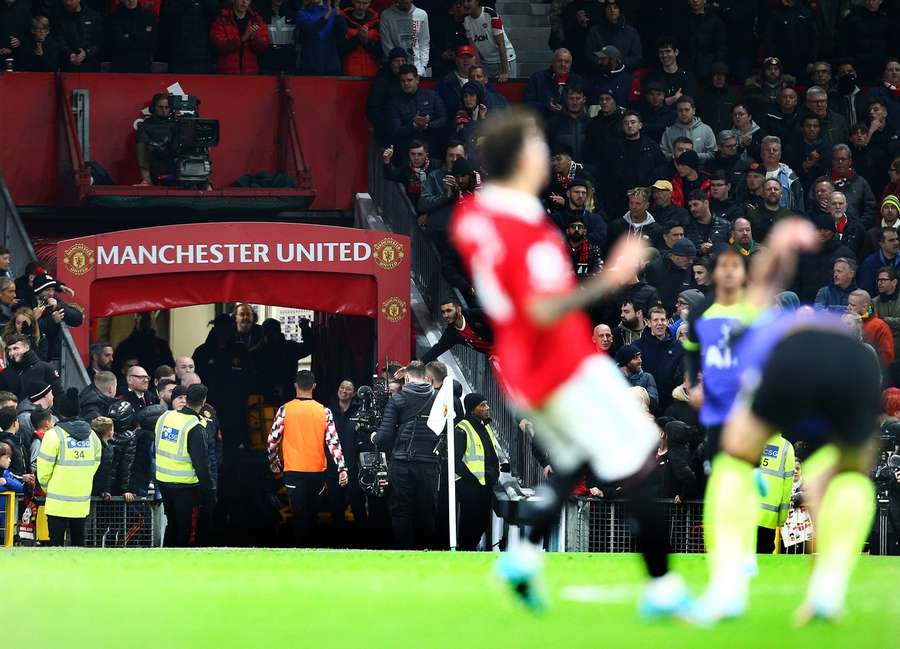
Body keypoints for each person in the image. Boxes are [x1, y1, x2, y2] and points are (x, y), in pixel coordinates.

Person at [451, 109, 688, 614]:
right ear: (520, 158)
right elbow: (537, 306)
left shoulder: (478, 216)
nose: (549, 159)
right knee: (641, 451)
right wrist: (611, 278)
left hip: (529, 365)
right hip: (558, 361)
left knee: (576, 459)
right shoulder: (519, 224)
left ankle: (520, 558)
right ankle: (664, 587)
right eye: (538, 148)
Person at [695, 218, 882, 624]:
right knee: (849, 475)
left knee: (734, 460)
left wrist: (778, 246)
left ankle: (727, 588)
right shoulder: (827, 327)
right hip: (853, 360)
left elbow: (762, 286)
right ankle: (827, 590)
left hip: (793, 358)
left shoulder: (756, 326)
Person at [267, 370, 347, 546]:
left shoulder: (285, 410)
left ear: (295, 386)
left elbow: (272, 440)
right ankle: (312, 548)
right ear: (314, 386)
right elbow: (334, 443)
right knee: (313, 514)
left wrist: (274, 462)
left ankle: (301, 548)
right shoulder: (324, 411)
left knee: (299, 514)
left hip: (293, 470)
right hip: (317, 470)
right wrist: (342, 468)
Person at [371, 361, 440, 550]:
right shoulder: (438, 398)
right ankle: (427, 551)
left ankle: (405, 551)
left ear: (407, 378)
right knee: (426, 509)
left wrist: (374, 437)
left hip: (402, 461)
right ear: (426, 377)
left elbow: (384, 436)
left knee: (402, 510)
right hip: (429, 462)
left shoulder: (398, 400)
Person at [36, 389, 100, 547]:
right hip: (81, 502)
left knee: (56, 547)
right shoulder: (92, 436)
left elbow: (43, 471)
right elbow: (95, 463)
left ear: (61, 412)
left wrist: (47, 488)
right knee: (79, 545)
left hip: (57, 503)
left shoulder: (53, 435)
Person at [154, 384, 214, 547]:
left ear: (186, 399)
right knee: (186, 529)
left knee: (172, 524)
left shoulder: (165, 417)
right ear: (203, 402)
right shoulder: (194, 427)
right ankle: (182, 564)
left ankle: (167, 560)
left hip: (163, 481)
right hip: (185, 486)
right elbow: (201, 465)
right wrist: (209, 492)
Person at [454, 392, 505, 550]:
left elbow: (490, 453)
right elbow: (456, 461)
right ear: (471, 409)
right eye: (482, 405)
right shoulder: (462, 428)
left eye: (486, 404)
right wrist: (472, 477)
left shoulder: (485, 426)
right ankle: (465, 552)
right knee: (470, 524)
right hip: (470, 485)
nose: (487, 408)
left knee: (482, 522)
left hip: (484, 484)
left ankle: (469, 550)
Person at [390, 63, 447, 156]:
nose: (406, 84)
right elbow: (396, 130)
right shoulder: (395, 103)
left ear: (417, 79)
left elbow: (444, 119)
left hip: (432, 149)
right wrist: (413, 124)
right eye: (403, 81)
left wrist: (428, 125)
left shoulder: (432, 96)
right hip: (407, 152)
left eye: (409, 80)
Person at [756, 432, 795, 554]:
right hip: (769, 518)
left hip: (746, 513)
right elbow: (787, 488)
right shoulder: (786, 448)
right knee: (764, 558)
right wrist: (782, 519)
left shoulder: (753, 439)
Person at [420, 297, 492, 363]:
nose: (446, 315)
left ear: (458, 309)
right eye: (443, 312)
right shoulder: (451, 333)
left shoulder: (477, 315)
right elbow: (436, 350)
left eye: (449, 311)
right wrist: (418, 364)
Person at [32, 272, 83, 364]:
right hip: (35, 356)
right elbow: (27, 329)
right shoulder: (27, 304)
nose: (51, 293)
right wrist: (51, 320)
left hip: (54, 357)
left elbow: (77, 319)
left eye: (53, 289)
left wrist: (58, 308)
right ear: (38, 290)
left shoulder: (56, 302)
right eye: (47, 290)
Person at [210, 0, 271, 74]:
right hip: (227, 75)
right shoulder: (222, 20)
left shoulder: (256, 20)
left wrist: (254, 38)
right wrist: (241, 39)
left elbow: (263, 46)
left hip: (250, 75)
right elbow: (218, 45)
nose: (244, 2)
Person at [523, 49, 585, 121]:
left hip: (568, 122)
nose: (563, 64)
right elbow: (527, 104)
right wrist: (547, 107)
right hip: (542, 121)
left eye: (566, 62)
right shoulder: (537, 78)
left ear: (570, 64)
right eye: (559, 61)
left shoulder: (577, 80)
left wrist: (564, 110)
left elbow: (581, 106)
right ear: (553, 62)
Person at [462, 0, 514, 82]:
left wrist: (504, 72)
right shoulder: (466, 20)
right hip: (486, 62)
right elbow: (473, 46)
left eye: (469, 1)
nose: (465, 4)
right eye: (464, 1)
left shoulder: (491, 14)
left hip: (505, 60)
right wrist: (478, 66)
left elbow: (501, 44)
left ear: (477, 2)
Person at [379, 0, 429, 77]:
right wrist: (398, 64)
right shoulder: (386, 15)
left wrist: (422, 67)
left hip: (416, 68)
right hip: (393, 68)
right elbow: (387, 45)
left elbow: (424, 43)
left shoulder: (421, 14)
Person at [5, 333, 62, 399]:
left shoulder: (46, 368)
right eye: (9, 349)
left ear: (27, 347)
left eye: (15, 348)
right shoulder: (5, 374)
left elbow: (58, 396)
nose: (11, 353)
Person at [847, 289, 895, 367]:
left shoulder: (880, 326)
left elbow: (887, 357)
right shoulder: (845, 321)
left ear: (864, 307)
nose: (848, 308)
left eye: (852, 305)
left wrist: (868, 368)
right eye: (848, 304)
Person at [660, 96, 715, 163]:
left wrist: (693, 156)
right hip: (675, 171)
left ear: (694, 111)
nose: (683, 113)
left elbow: (712, 154)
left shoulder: (706, 130)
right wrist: (676, 156)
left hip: (700, 171)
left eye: (687, 110)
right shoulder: (669, 131)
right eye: (680, 110)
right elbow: (663, 154)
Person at [54, 0, 103, 72]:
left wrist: (87, 53)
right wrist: (70, 54)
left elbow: (99, 42)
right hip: (68, 67)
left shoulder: (94, 16)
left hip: (91, 68)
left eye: (71, 0)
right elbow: (59, 40)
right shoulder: (58, 18)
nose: (68, 3)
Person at [108, 0, 156, 72]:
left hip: (143, 65)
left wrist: (129, 35)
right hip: (121, 65)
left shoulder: (148, 15)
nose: (130, 0)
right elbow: (117, 42)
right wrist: (141, 34)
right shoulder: (114, 17)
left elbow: (152, 40)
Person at [338, 0, 380, 76]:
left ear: (370, 3)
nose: (361, 7)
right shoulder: (342, 20)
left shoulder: (376, 21)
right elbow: (340, 48)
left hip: (372, 70)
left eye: (365, 3)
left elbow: (379, 51)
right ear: (353, 1)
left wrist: (366, 42)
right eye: (358, 2)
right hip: (349, 70)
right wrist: (359, 38)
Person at [615, 345, 659, 412]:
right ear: (625, 361)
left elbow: (654, 404)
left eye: (640, 357)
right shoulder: (612, 379)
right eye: (635, 358)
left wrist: (638, 393)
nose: (640, 360)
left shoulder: (647, 377)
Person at [859, 227, 900, 295]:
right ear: (881, 244)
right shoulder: (870, 263)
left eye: (897, 239)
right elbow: (866, 291)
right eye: (891, 240)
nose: (896, 243)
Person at [874, 267, 900, 353]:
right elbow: (868, 316)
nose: (879, 283)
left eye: (883, 280)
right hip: (880, 338)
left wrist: (883, 320)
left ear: (894, 282)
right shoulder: (873, 302)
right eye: (878, 280)